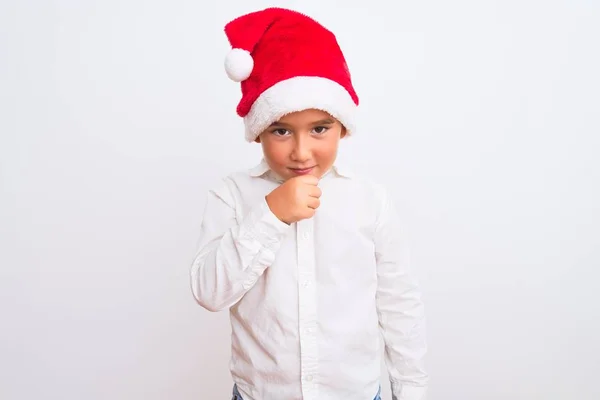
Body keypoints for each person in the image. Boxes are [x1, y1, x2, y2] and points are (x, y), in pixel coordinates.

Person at [190, 7, 428, 400]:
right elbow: (209, 292)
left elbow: (399, 304)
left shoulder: (369, 200)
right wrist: (269, 214)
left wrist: (412, 391)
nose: (301, 152)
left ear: (342, 126)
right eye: (281, 130)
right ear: (257, 132)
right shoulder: (231, 195)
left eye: (320, 129)